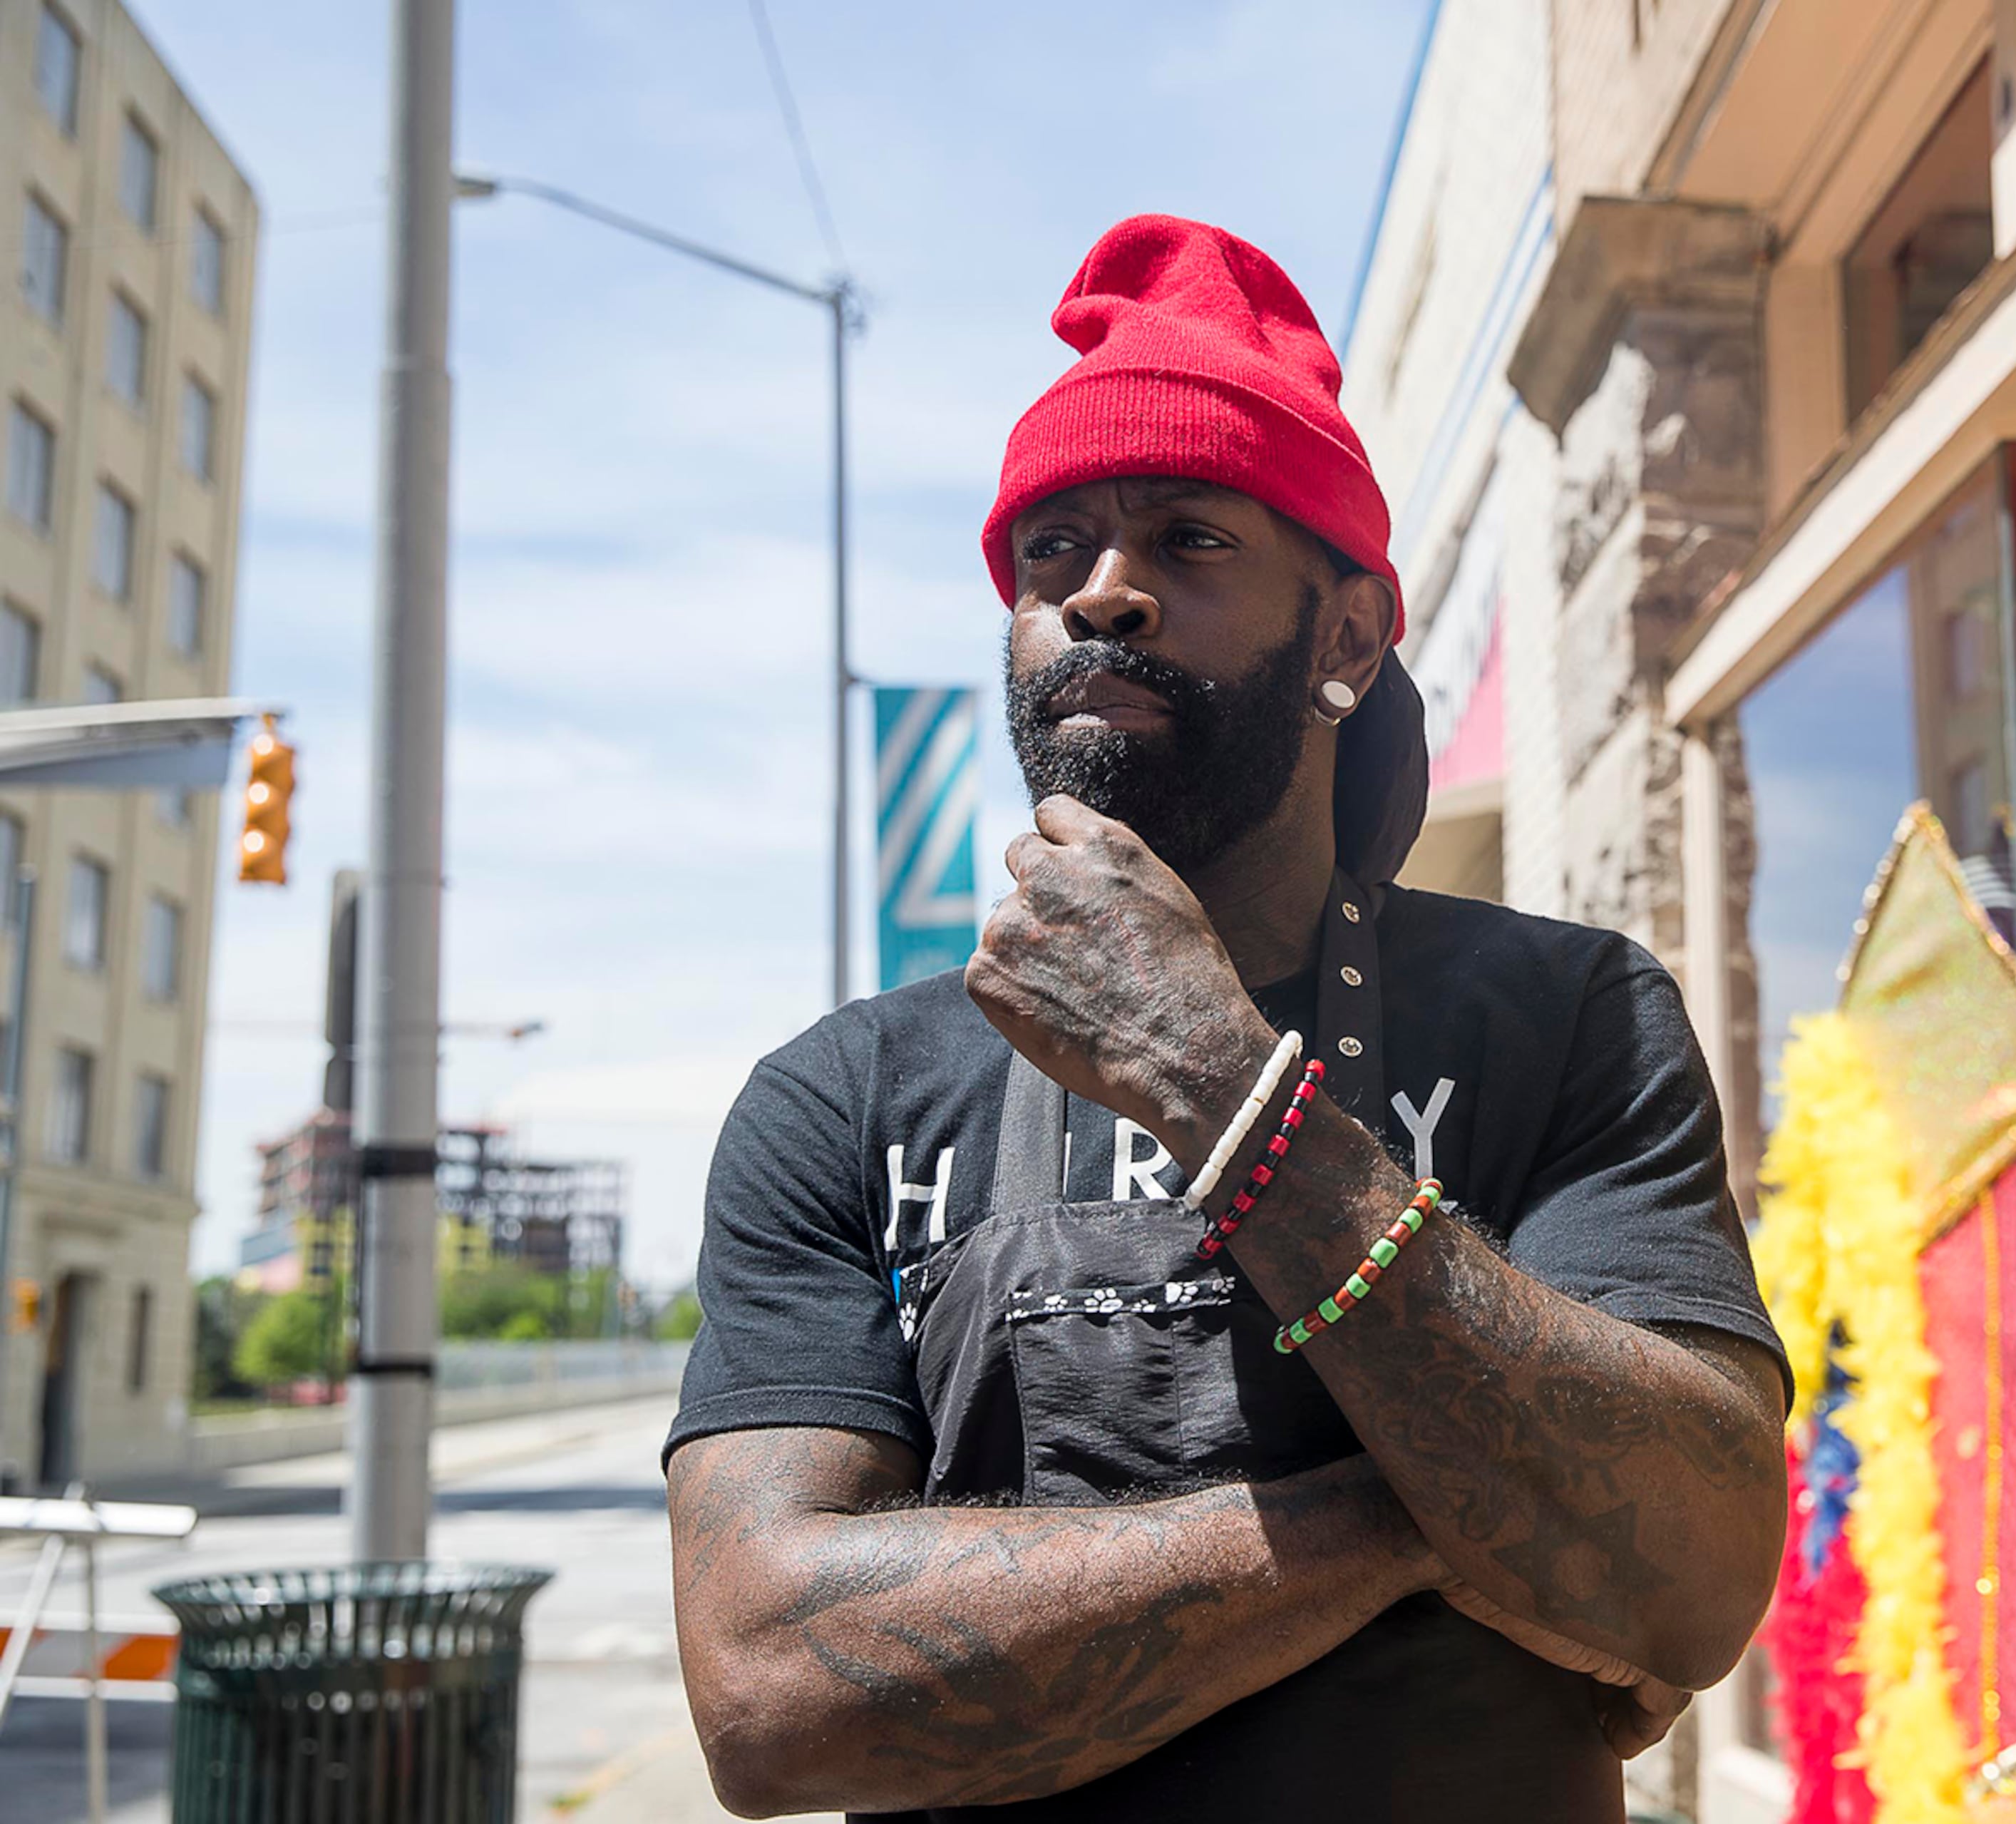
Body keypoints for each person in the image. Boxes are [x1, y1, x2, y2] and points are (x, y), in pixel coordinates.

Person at [663, 214, 1789, 1823]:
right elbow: (772, 1696)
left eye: (1191, 539)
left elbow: (1691, 1577)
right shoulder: (845, 1094)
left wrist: (1215, 1078)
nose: (1100, 595)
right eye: (1050, 553)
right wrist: (1432, 1508)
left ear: (1345, 635)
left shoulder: (1572, 1015)